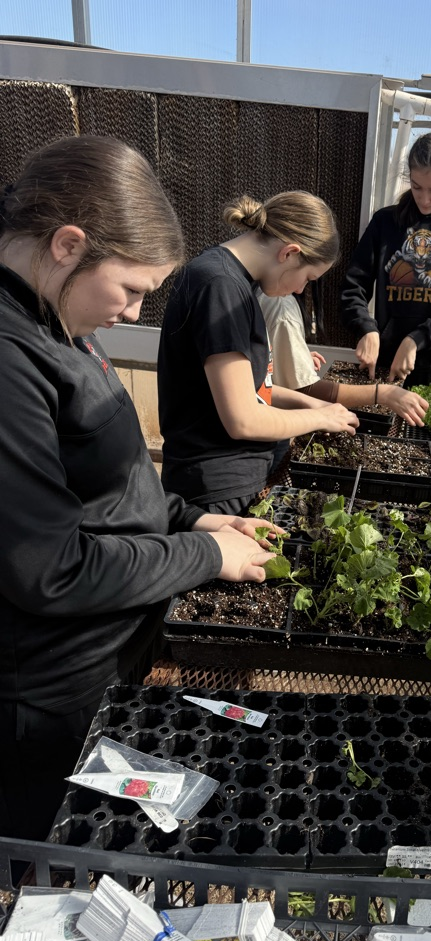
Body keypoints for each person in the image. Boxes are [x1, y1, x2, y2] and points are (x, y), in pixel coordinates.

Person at [0, 135, 277, 842]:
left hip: (104, 660)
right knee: (51, 855)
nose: (132, 314)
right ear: (68, 244)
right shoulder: (8, 360)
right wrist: (206, 561)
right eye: (131, 290)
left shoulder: (50, 311)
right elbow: (51, 571)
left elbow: (98, 482)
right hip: (47, 694)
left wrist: (190, 520)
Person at [158, 192, 361, 515]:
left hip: (234, 481)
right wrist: (319, 418)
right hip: (216, 491)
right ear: (290, 253)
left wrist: (315, 404)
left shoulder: (234, 282)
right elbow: (242, 420)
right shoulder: (220, 287)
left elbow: (253, 389)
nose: (299, 290)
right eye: (307, 279)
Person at [341, 132, 431, 394]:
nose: (424, 199)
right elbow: (353, 286)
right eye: (416, 186)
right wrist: (366, 328)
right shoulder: (386, 222)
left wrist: (416, 340)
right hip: (385, 362)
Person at [255, 288, 429, 424]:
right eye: (309, 277)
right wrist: (382, 393)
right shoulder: (283, 309)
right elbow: (305, 390)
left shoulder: (260, 293)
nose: (301, 290)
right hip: (271, 423)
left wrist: (295, 353)